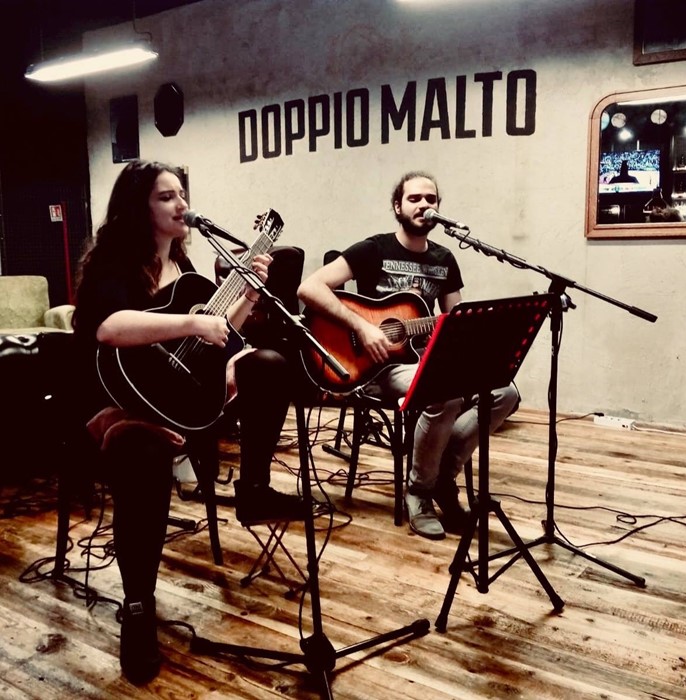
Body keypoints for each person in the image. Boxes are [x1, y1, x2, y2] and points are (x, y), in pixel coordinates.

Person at [71, 159, 303, 685]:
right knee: (143, 454)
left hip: (183, 395)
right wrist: (192, 321)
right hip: (121, 403)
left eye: (182, 194)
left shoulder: (184, 268)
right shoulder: (113, 263)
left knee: (269, 363)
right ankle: (138, 605)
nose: (182, 205)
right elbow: (109, 328)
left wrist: (246, 296)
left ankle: (253, 488)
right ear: (138, 207)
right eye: (166, 196)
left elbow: (215, 335)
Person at [297, 171, 519, 541]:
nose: (423, 205)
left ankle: (442, 476)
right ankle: (419, 492)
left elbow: (455, 320)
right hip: (379, 365)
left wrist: (482, 326)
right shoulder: (373, 249)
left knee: (505, 393)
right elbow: (309, 288)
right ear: (397, 207)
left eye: (431, 199)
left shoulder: (445, 259)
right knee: (442, 392)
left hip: (424, 357)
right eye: (414, 199)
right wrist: (362, 327)